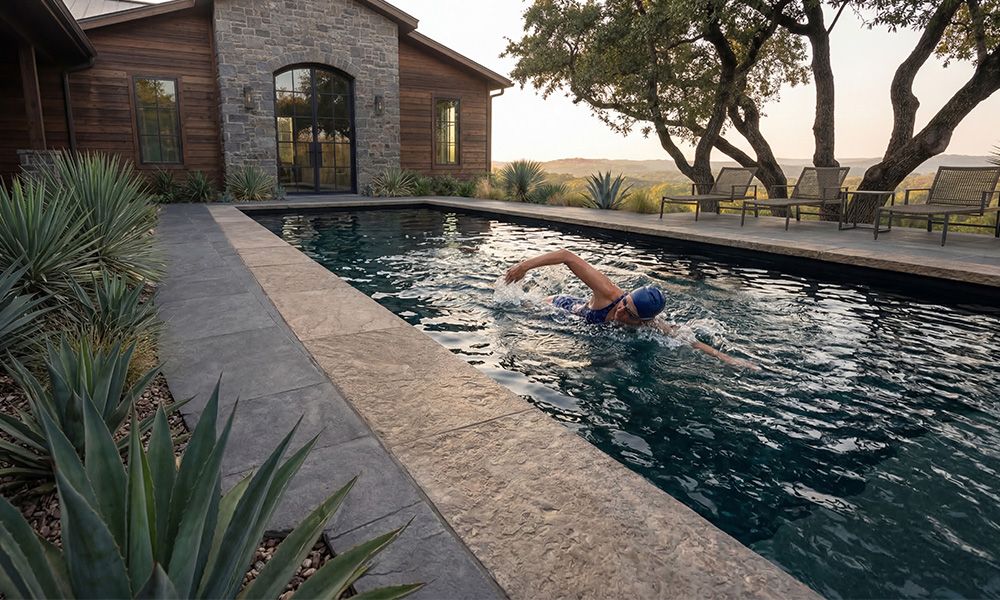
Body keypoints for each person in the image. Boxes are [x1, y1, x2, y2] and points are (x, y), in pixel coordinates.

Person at [504, 248, 758, 369]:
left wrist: (730, 359)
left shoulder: (651, 324)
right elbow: (567, 256)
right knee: (521, 307)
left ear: (643, 320)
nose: (621, 314)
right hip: (562, 308)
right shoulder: (609, 293)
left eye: (630, 315)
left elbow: (689, 341)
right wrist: (524, 266)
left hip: (590, 330)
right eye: (624, 306)